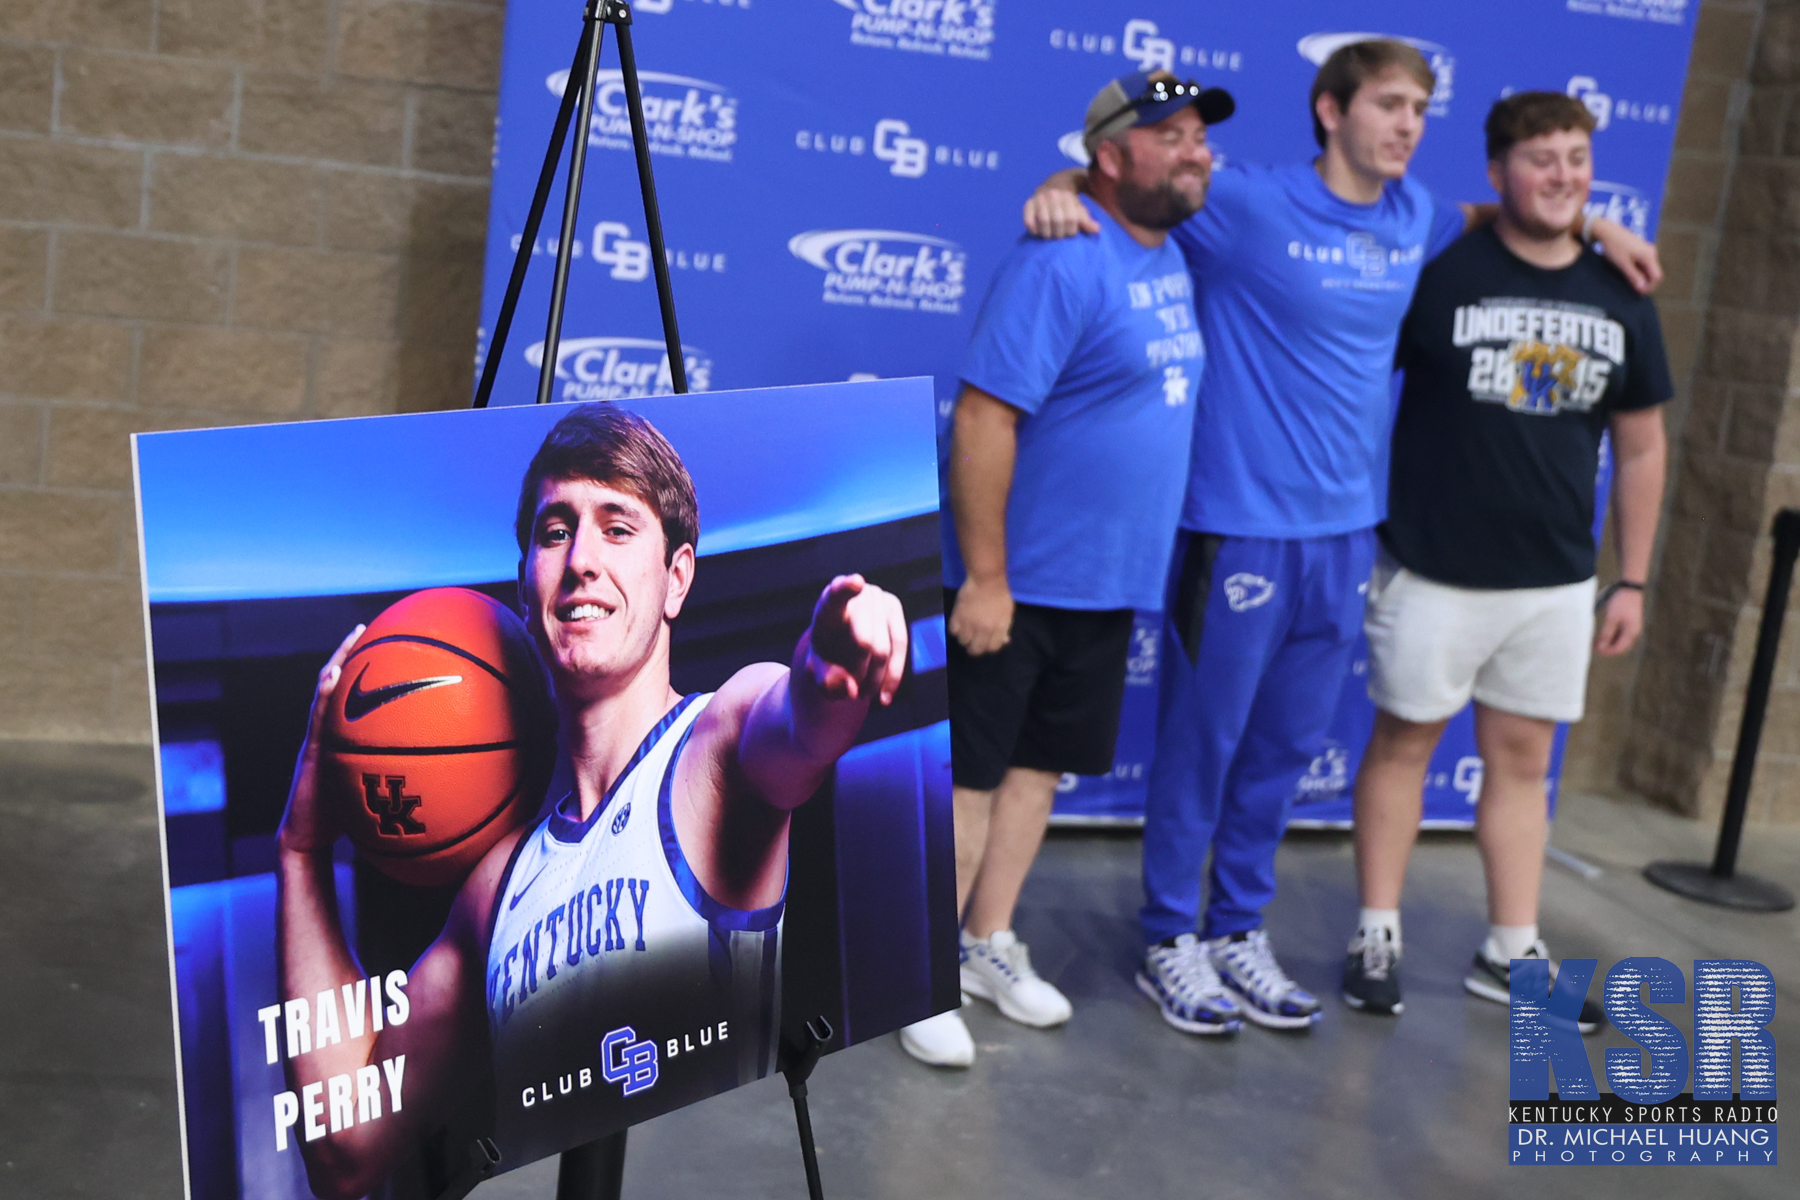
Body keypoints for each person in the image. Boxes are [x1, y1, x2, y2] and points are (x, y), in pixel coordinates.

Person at [1022, 41, 1663, 1037]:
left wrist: (1599, 224)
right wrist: (1062, 182)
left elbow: (1497, 214)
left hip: (1347, 540)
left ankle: (1237, 928)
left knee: (1281, 753)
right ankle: (1167, 940)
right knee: (1204, 748)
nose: (1408, 125)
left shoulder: (1415, 218)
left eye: (1420, 110)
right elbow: (1141, 179)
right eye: (1389, 106)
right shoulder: (1249, 204)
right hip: (1234, 532)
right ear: (1332, 111)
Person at [275, 404, 909, 1196]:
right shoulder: (495, 891)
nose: (580, 559)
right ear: (526, 584)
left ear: (675, 578)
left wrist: (833, 670)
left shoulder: (714, 748)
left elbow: (800, 725)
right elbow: (347, 1152)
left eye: (617, 527)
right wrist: (300, 851)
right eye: (554, 530)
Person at [897, 69, 1228, 1068]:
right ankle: (917, 971)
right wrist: (986, 576)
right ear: (1114, 157)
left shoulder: (1170, 252)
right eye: (1171, 137)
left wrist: (1066, 177)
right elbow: (987, 419)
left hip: (1108, 581)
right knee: (972, 782)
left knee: (1038, 774)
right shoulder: (1059, 264)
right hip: (1020, 584)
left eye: (1201, 136)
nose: (1197, 151)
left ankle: (987, 942)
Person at [1340, 92, 1669, 1032]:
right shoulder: (1440, 271)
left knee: (1524, 764)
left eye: (1576, 159)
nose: (1562, 176)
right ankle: (1376, 931)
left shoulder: (1621, 293)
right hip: (1434, 564)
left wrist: (1632, 577)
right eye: (1539, 159)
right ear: (1497, 174)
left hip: (1556, 581)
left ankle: (1512, 948)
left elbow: (1641, 449)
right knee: (1403, 744)